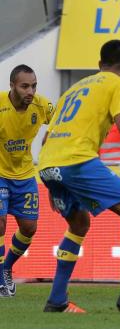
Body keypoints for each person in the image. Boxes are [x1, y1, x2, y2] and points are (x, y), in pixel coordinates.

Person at [38, 40, 120, 313]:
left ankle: (57, 300)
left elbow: (48, 137)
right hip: (77, 160)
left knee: (79, 224)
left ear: (99, 65)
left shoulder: (74, 89)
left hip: (49, 163)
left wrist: (52, 183)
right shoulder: (119, 84)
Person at [0, 65, 54, 297]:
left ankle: (6, 267)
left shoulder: (41, 105)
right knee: (0, 222)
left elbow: (64, 118)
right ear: (12, 86)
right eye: (24, 86)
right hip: (0, 173)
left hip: (24, 175)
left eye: (33, 85)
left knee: (29, 228)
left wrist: (50, 137)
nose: (30, 91)